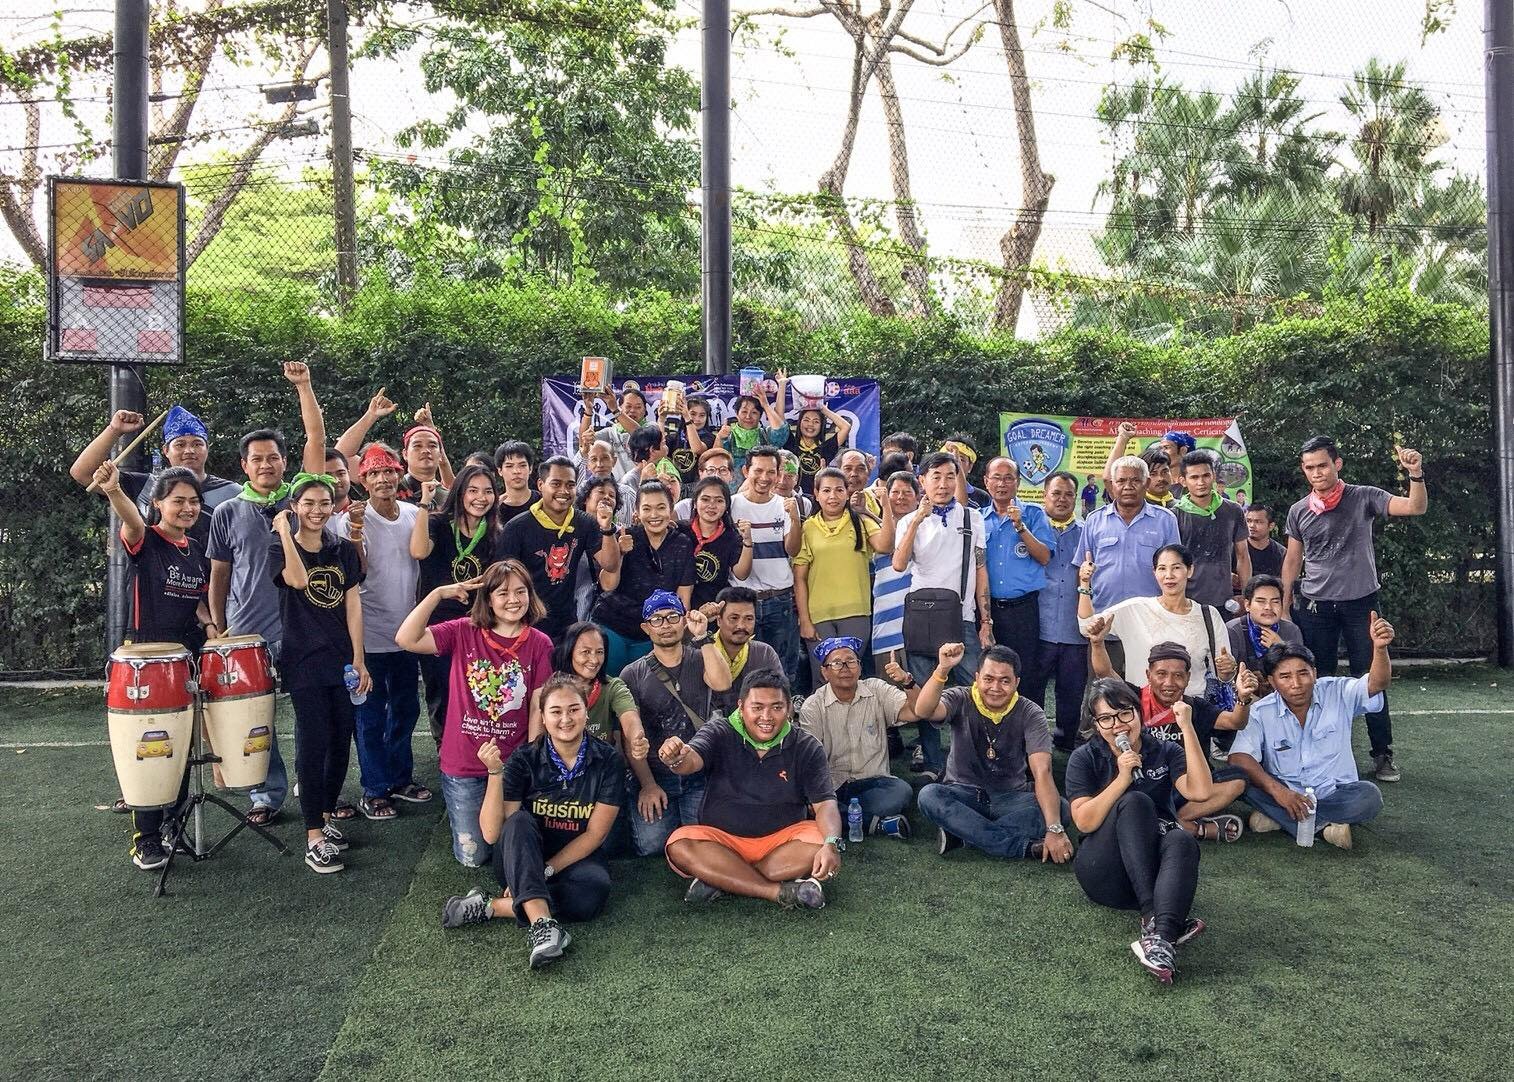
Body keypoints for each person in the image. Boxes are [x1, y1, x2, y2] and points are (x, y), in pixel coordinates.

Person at [207, 361, 329, 826]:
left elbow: (316, 440)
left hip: (302, 627)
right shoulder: (227, 511)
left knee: (310, 714)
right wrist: (219, 626)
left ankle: (312, 785)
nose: (265, 464)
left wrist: (304, 386)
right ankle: (266, 793)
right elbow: (220, 574)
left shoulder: (300, 501)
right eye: (256, 459)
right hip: (247, 633)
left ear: (284, 461)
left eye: (273, 457)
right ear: (244, 465)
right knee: (256, 718)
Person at [438, 676, 626, 969]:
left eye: (574, 709)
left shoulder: (608, 760)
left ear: (586, 712)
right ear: (543, 717)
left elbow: (595, 834)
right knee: (519, 821)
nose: (566, 719)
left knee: (592, 895)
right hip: (522, 856)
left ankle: (491, 906)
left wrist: (545, 870)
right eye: (556, 711)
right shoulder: (524, 758)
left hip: (573, 857)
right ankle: (544, 927)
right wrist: (495, 773)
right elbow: (492, 835)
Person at [1281, 436, 1427, 783]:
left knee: (1372, 679)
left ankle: (1382, 754)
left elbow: (1414, 507)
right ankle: (1318, 752)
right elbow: (1292, 560)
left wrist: (1416, 474)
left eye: (1322, 465)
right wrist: (1284, 606)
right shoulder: (1299, 510)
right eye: (1309, 467)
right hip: (1315, 608)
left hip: (1362, 606)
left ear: (1337, 464)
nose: (1316, 472)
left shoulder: (1363, 497)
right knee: (1315, 680)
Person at [93, 461, 213, 870]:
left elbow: (197, 600)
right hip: (146, 658)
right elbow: (131, 522)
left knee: (180, 747)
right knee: (150, 748)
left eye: (193, 501)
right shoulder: (147, 539)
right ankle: (145, 838)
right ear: (158, 503)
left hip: (184, 657)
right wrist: (114, 490)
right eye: (178, 500)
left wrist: (210, 625)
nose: (187, 508)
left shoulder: (196, 549)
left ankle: (172, 826)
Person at [396, 559, 554, 867]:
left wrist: (532, 757)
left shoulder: (540, 643)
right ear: (489, 599)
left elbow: (538, 704)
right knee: (475, 856)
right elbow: (406, 639)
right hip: (464, 764)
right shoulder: (463, 630)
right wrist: (437, 594)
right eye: (503, 593)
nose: (513, 600)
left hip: (512, 760)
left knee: (510, 842)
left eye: (520, 591)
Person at [1065, 677, 1209, 983]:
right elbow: (1083, 822)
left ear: (1139, 713)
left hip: (1155, 874)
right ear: (1095, 724)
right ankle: (1153, 915)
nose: (1118, 725)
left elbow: (1201, 791)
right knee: (1135, 802)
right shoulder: (1085, 757)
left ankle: (1162, 938)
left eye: (1125, 713)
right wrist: (1122, 778)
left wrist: (1187, 728)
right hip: (1104, 873)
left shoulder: (1164, 750)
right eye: (1106, 718)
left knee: (1181, 839)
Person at [661, 671, 841, 910]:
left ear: (789, 709)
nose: (766, 717)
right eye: (757, 707)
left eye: (776, 707)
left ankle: (721, 879)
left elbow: (825, 804)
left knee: (821, 840)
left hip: (783, 843)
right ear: (741, 706)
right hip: (722, 842)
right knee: (679, 843)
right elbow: (691, 760)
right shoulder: (719, 731)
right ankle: (778, 892)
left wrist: (831, 843)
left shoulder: (806, 745)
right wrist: (675, 758)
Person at [268, 473, 367, 873]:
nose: (317, 510)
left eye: (324, 503)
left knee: (341, 741)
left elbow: (353, 605)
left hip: (340, 659)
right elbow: (297, 580)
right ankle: (312, 835)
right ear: (294, 507)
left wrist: (359, 658)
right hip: (303, 660)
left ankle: (325, 818)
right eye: (307, 503)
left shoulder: (341, 548)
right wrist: (284, 532)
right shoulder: (279, 547)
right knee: (313, 743)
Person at [1228, 618, 1395, 849]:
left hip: (1335, 793)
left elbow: (1376, 684)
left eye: (1303, 673)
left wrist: (1380, 648)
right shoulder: (1260, 711)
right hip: (1284, 792)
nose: (1296, 683)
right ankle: (1325, 828)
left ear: (1314, 673)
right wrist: (1280, 793)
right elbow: (1238, 758)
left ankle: (1281, 818)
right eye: (1285, 677)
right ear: (1272, 682)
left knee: (1369, 797)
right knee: (1238, 780)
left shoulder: (1337, 691)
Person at [333, 444, 429, 821]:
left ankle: (400, 778)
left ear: (399, 474)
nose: (383, 479)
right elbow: (356, 572)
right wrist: (356, 530)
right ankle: (374, 788)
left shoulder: (413, 513)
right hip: (369, 635)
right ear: (364, 481)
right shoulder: (352, 518)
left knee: (406, 709)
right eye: (374, 474)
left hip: (407, 633)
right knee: (370, 716)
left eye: (388, 471)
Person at [909, 643, 1074, 863]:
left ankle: (963, 834)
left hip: (1010, 796)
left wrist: (1054, 828)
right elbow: (923, 710)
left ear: (1016, 683)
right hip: (963, 793)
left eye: (1005, 681)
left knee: (1061, 809)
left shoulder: (1031, 712)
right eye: (988, 679)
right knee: (929, 795)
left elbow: (1042, 771)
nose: (995, 687)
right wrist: (943, 669)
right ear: (977, 678)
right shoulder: (961, 697)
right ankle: (1022, 848)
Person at [1086, 633, 1256, 841]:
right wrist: (1097, 643)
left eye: (1178, 675)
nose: (1169, 682)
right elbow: (1104, 673)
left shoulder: (1194, 707)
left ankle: (1173, 821)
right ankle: (1190, 828)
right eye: (1161, 674)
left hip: (1185, 787)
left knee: (1238, 779)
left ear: (1188, 677)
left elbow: (1235, 722)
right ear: (1148, 675)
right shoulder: (1132, 700)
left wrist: (1243, 698)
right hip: (1143, 783)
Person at [892, 452, 989, 780]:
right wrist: (917, 519)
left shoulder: (972, 518)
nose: (943, 484)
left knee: (976, 689)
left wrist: (986, 621)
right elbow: (899, 564)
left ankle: (975, 759)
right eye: (936, 477)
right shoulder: (909, 520)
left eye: (950, 476)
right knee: (925, 692)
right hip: (922, 619)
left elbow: (980, 568)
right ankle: (933, 762)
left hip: (962, 617)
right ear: (922, 481)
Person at [618, 592, 731, 856]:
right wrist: (647, 784)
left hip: (699, 770)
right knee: (651, 846)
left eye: (672, 617)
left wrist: (703, 637)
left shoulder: (701, 656)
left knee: (709, 841)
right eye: (656, 619)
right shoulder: (632, 673)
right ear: (646, 628)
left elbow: (722, 683)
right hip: (657, 774)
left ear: (683, 620)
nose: (665, 625)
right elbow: (630, 738)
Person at [410, 462, 502, 746]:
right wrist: (424, 504)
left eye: (488, 491)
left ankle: (472, 748)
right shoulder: (439, 523)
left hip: (476, 625)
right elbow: (418, 551)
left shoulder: (495, 533)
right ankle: (445, 749)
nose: (480, 498)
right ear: (460, 493)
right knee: (441, 691)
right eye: (473, 490)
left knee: (476, 690)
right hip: (437, 625)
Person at [797, 638, 920, 837]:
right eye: (837, 663)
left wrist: (907, 681)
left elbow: (915, 712)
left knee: (901, 791)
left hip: (874, 782)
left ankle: (838, 817)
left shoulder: (876, 689)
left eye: (851, 661)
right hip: (832, 786)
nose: (845, 668)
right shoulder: (813, 706)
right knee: (805, 802)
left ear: (860, 668)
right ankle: (876, 824)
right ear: (825, 672)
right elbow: (810, 762)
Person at [1078, 543, 1237, 698]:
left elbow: (1224, 675)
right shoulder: (1134, 609)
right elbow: (1086, 627)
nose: (1169, 575)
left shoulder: (1208, 615)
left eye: (1176, 568)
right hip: (1143, 708)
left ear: (1190, 570)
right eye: (1162, 568)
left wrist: (1227, 670)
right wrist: (1085, 584)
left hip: (1192, 708)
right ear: (1154, 572)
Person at [70, 404, 240, 543]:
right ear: (166, 450)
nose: (189, 450)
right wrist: (114, 429)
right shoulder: (147, 486)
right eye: (180, 444)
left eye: (197, 444)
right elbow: (82, 473)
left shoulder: (232, 493)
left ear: (207, 448)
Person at [1073, 454, 1179, 675]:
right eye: (1121, 481)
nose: (1128, 486)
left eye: (1135, 480)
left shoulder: (1165, 520)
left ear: (1146, 483)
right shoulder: (1094, 520)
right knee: (1103, 689)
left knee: (1148, 690)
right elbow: (1083, 571)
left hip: (1150, 628)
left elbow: (1175, 573)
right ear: (1112, 485)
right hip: (1104, 627)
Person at [497, 455, 622, 642]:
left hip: (566, 625)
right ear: (541, 485)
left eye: (570, 485)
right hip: (526, 624)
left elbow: (610, 565)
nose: (564, 491)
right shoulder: (517, 527)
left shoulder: (584, 523)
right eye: (556, 484)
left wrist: (606, 528)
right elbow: (501, 579)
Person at [794, 467, 896, 687]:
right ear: (816, 494)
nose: (833, 496)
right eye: (826, 490)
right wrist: (805, 620)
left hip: (856, 613)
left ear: (847, 493)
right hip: (819, 616)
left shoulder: (860, 521)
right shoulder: (808, 527)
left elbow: (886, 546)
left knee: (850, 675)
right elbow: (800, 578)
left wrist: (886, 505)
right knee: (823, 677)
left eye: (839, 490)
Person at [592, 481, 696, 676]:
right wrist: (620, 554)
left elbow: (683, 599)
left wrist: (673, 635)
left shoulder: (682, 543)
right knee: (608, 682)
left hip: (654, 631)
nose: (654, 515)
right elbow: (607, 585)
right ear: (637, 512)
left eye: (661, 508)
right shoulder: (624, 536)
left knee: (645, 687)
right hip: (613, 624)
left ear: (671, 509)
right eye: (647, 509)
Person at [729, 446, 804, 693]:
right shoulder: (732, 506)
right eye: (758, 471)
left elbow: (793, 549)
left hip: (779, 600)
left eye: (770, 472)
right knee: (741, 670)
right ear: (745, 471)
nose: (764, 478)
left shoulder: (785, 505)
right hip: (742, 600)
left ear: (779, 473)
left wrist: (795, 519)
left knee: (780, 671)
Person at [1024, 470, 1088, 751]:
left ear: (1076, 498)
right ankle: (1034, 742)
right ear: (1044, 496)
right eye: (1056, 493)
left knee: (1071, 692)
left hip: (1074, 630)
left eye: (1068, 494)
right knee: (1033, 690)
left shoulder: (1086, 533)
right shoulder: (1031, 531)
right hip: (1038, 627)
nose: (1062, 499)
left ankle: (1066, 741)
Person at [981, 457, 1056, 685]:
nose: (1002, 484)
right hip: (988, 611)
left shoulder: (1034, 514)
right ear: (986, 482)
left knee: (1025, 673)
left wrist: (1020, 526)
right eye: (996, 478)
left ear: (1018, 482)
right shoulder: (978, 518)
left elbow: (1044, 557)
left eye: (1008, 478)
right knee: (989, 672)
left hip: (1023, 610)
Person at [548, 623, 651, 756]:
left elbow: (630, 717)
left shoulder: (612, 687)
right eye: (586, 652)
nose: (594, 660)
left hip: (602, 766)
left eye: (599, 652)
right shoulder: (547, 693)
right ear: (568, 652)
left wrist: (637, 738)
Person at [1174, 450, 1249, 610]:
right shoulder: (1174, 514)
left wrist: (1246, 595)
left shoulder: (1233, 510)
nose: (1201, 482)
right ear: (1183, 481)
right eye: (1194, 477)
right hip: (1185, 602)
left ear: (1214, 476)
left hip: (1224, 600)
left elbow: (1243, 555)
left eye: (1206, 475)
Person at [705, 586, 784, 717]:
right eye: (734, 618)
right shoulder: (702, 650)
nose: (741, 625)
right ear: (719, 620)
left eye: (748, 619)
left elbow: (781, 698)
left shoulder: (764, 653)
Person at [870, 470, 920, 667]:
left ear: (918, 497)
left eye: (907, 492)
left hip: (919, 622)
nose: (901, 497)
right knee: (887, 681)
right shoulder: (875, 528)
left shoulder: (928, 526)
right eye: (895, 492)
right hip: (885, 621)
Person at [684, 475, 753, 609]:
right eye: (705, 499)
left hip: (715, 608)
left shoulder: (731, 537)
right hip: (682, 608)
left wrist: (748, 541)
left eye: (719, 501)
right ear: (695, 502)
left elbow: (741, 574)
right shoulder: (680, 530)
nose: (711, 506)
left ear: (726, 506)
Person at [1226, 574, 1304, 671]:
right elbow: (1226, 674)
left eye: (1275, 602)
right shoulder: (1232, 630)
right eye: (1261, 601)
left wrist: (1282, 649)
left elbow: (1300, 671)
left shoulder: (1291, 630)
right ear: (1247, 605)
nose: (1268, 607)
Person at [719, 372, 790, 474]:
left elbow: (780, 431)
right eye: (744, 412)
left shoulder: (766, 435)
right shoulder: (728, 435)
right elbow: (715, 458)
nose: (748, 416)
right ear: (736, 413)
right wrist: (719, 437)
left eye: (754, 412)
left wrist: (765, 404)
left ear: (760, 415)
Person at [573, 477, 621, 619]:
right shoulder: (571, 528)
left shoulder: (620, 533)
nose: (607, 497)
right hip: (571, 604)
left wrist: (621, 552)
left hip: (603, 612)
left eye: (612, 495)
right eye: (601, 492)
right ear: (586, 499)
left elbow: (609, 582)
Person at [785, 403, 852, 496]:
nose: (810, 424)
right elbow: (779, 420)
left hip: (817, 498)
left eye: (816, 421)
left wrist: (823, 408)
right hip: (792, 496)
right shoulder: (790, 442)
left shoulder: (826, 448)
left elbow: (846, 427)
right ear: (799, 422)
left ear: (822, 426)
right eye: (806, 420)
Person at [589, 383, 652, 481]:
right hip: (617, 487)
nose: (632, 410)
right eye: (628, 406)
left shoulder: (652, 428)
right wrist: (588, 410)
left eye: (638, 407)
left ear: (645, 410)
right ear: (621, 407)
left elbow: (640, 435)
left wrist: (615, 409)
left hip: (644, 485)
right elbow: (585, 442)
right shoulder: (611, 432)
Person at [674, 447, 738, 522]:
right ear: (700, 473)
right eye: (711, 470)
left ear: (731, 475)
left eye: (723, 470)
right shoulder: (684, 508)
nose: (716, 475)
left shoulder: (738, 505)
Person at [493, 440, 537, 529]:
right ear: (500, 471)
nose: (516, 471)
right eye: (509, 466)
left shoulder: (544, 502)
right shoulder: (494, 507)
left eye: (522, 465)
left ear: (530, 468)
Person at [942, 434, 990, 509]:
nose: (953, 464)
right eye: (948, 458)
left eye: (961, 459)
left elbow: (959, 507)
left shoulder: (982, 497)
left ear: (970, 467)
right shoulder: (931, 492)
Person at [1242, 504, 1286, 582]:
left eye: (1258, 522)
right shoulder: (1235, 548)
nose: (1251, 525)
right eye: (1248, 521)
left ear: (1271, 526)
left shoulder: (1281, 553)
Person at [775, 450, 815, 521]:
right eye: (778, 474)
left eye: (789, 476)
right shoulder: (756, 502)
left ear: (796, 479)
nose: (782, 482)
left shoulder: (804, 504)